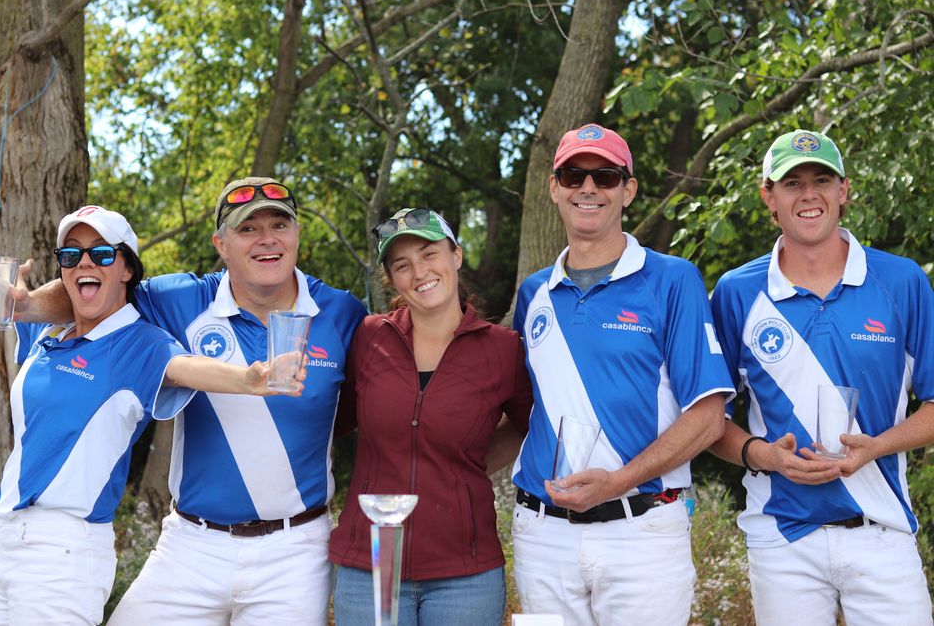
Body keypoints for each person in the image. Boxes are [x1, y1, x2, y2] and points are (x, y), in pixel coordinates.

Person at [0, 179, 367, 625]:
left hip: (294, 550)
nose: (267, 239)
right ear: (221, 243)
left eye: (280, 224)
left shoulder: (343, 313)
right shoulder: (179, 300)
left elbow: (367, 406)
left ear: (297, 234)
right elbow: (96, 289)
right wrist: (23, 306)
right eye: (248, 229)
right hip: (191, 544)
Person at [509, 123, 734, 625]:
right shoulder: (533, 294)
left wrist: (618, 482)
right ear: (554, 187)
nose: (588, 188)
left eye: (605, 176)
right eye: (573, 175)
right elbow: (521, 413)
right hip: (542, 535)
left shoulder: (673, 279)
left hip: (643, 532)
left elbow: (710, 417)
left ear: (628, 190)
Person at [708, 129, 934, 626]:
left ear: (843, 190)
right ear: (769, 196)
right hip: (781, 533)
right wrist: (764, 456)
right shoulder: (736, 292)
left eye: (821, 180)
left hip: (882, 526)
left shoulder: (902, 281)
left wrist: (875, 446)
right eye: (792, 183)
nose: (809, 194)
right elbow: (708, 422)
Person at [329, 208, 534, 625]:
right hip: (374, 560)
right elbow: (331, 422)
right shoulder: (367, 337)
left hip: (464, 569)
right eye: (402, 265)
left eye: (429, 254)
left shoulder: (503, 349)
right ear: (392, 279)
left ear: (456, 255)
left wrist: (467, 464)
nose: (419, 271)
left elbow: (529, 426)